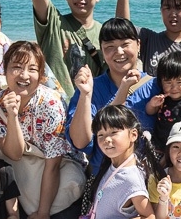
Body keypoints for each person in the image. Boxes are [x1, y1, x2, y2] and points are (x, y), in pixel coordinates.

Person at [0, 41, 83, 219]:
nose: (24, 75)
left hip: (51, 165)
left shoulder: (51, 104)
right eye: (17, 67)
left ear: (42, 75)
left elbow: (53, 164)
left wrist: (43, 212)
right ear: (5, 71)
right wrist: (11, 116)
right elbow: (14, 153)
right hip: (18, 164)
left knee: (67, 187)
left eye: (32, 69)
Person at [67, 18, 158, 158]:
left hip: (147, 174)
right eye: (110, 46)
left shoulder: (155, 86)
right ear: (102, 50)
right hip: (105, 176)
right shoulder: (91, 88)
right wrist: (85, 95)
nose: (119, 52)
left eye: (125, 44)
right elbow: (80, 143)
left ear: (138, 45)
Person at [78, 105, 156, 219]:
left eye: (113, 132)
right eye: (101, 135)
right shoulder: (112, 164)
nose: (106, 139)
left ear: (133, 135)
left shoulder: (131, 178)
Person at [145, 52, 181, 151]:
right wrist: (152, 105)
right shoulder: (162, 97)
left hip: (178, 150)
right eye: (168, 82)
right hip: (157, 147)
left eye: (179, 82)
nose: (173, 87)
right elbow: (150, 112)